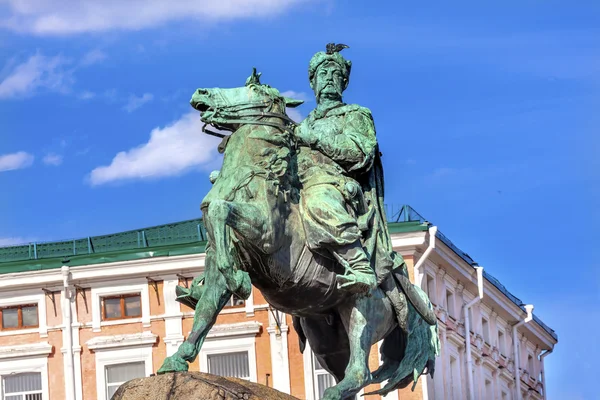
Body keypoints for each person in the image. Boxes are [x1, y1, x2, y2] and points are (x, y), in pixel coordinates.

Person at [294, 44, 405, 295]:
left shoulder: (355, 114)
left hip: (338, 186)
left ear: (344, 82)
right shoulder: (305, 124)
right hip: (301, 185)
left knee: (319, 200)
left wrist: (313, 139)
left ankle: (360, 266)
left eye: (336, 75)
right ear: (313, 82)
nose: (329, 80)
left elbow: (359, 154)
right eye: (323, 74)